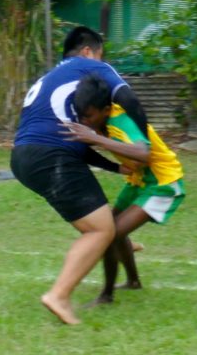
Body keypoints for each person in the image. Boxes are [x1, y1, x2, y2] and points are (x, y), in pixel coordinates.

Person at [10, 26, 151, 325]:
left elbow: (74, 138)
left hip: (23, 156)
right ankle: (59, 295)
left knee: (97, 223)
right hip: (50, 156)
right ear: (89, 51)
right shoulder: (93, 67)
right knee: (101, 229)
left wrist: (115, 167)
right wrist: (145, 144)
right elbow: (130, 99)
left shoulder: (51, 77)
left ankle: (116, 242)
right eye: (101, 55)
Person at [66, 73, 186, 305]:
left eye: (89, 116)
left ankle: (106, 295)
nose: (85, 122)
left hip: (163, 183)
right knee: (108, 228)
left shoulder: (119, 122)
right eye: (81, 117)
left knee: (109, 235)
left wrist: (96, 139)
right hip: (139, 181)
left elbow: (144, 153)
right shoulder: (99, 124)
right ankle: (132, 281)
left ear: (105, 109)